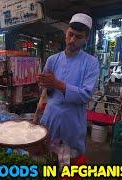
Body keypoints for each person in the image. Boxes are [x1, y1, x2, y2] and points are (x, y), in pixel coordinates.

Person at [34, 13, 99, 165]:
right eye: (70, 34)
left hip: (73, 124)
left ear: (86, 39)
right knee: (48, 162)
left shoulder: (91, 63)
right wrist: (44, 84)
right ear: (66, 33)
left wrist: (56, 83)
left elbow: (85, 95)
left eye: (78, 37)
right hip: (50, 119)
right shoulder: (52, 59)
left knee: (71, 164)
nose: (72, 40)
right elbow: (45, 91)